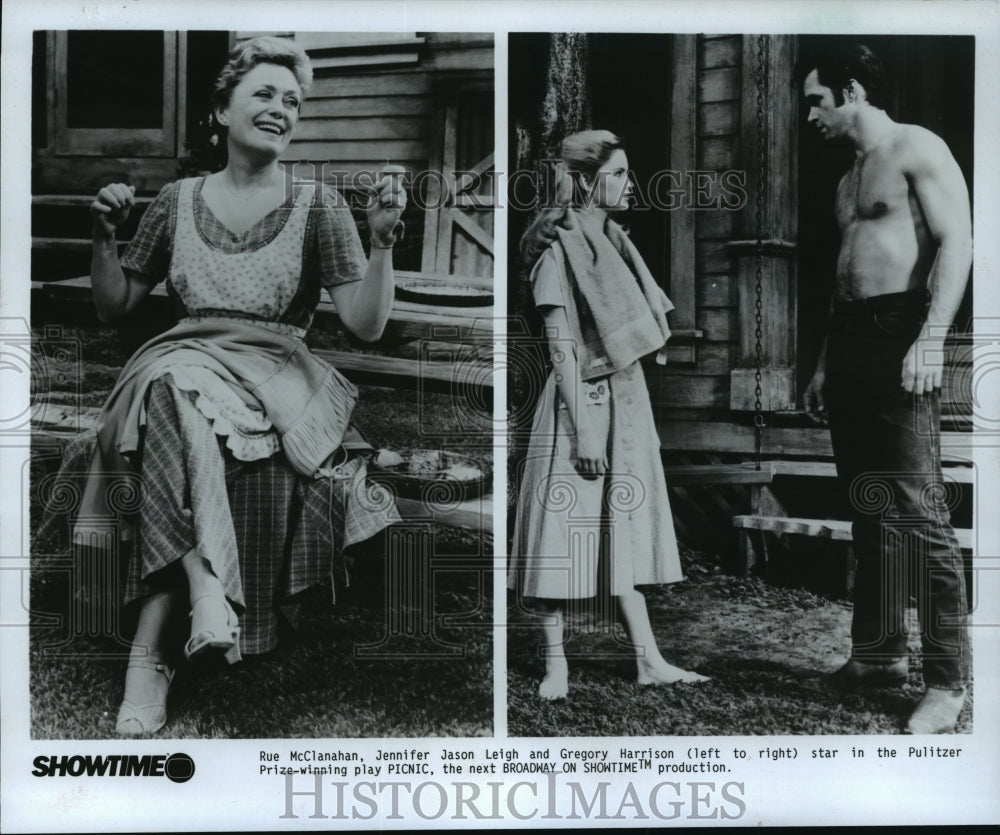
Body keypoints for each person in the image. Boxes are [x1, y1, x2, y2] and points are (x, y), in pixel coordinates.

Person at [44, 36, 407, 736]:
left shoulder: (318, 204)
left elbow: (364, 324)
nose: (282, 109)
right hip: (183, 360)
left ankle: (151, 654)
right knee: (170, 388)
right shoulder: (177, 200)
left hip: (274, 376)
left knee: (161, 396)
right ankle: (206, 590)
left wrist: (384, 240)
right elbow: (116, 304)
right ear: (221, 108)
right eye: (266, 94)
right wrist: (101, 235)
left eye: (293, 101)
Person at [799, 43, 972, 733]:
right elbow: (846, 277)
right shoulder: (847, 180)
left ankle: (948, 681)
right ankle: (876, 656)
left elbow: (957, 241)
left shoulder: (915, 147)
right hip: (850, 344)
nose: (808, 114)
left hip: (903, 332)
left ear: (850, 91)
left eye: (815, 100)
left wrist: (931, 337)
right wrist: (820, 363)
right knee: (870, 507)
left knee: (916, 513)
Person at [508, 130, 708, 700]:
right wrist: (586, 430)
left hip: (625, 398)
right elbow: (562, 349)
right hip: (582, 405)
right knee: (559, 533)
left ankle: (648, 660)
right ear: (584, 180)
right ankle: (556, 665)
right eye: (617, 173)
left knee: (622, 530)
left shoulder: (614, 243)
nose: (628, 183)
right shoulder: (557, 250)